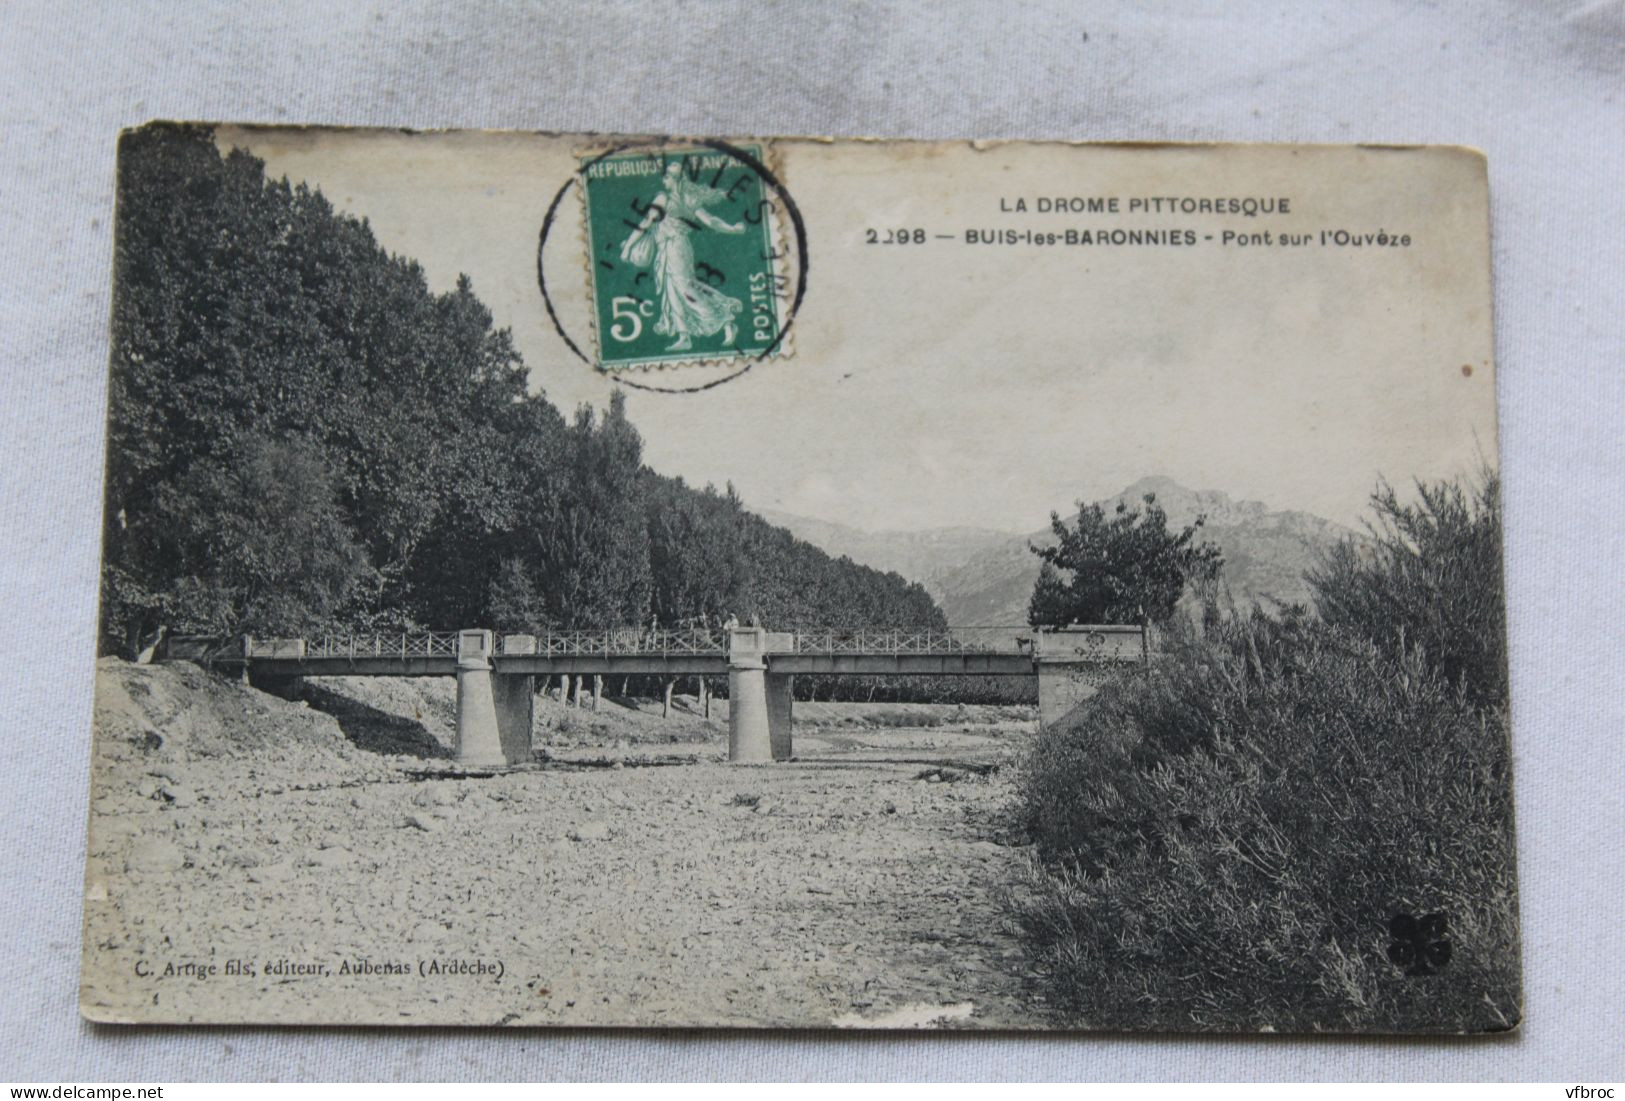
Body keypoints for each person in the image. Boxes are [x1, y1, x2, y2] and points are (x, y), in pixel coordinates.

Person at [619, 161, 747, 351]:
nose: (664, 180)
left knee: (686, 289)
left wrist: (628, 247)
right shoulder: (688, 199)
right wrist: (733, 229)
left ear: (676, 179)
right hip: (669, 248)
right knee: (672, 292)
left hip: (675, 247)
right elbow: (711, 221)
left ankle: (725, 321)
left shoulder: (665, 198)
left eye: (667, 176)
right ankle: (684, 336)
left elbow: (646, 223)